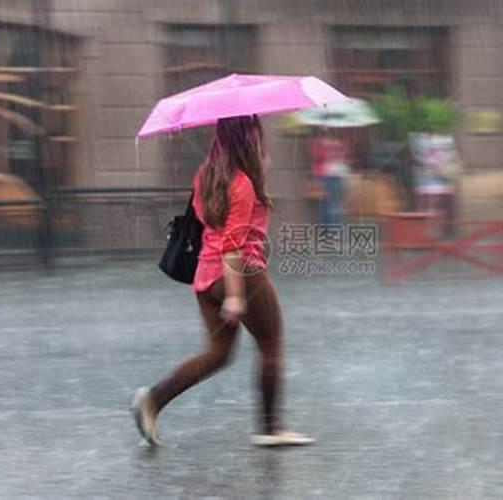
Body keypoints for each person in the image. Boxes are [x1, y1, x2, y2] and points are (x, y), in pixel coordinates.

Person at [131, 115, 313, 447]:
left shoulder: (206, 175)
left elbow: (207, 223)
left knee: (218, 353)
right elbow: (232, 243)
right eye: (257, 133)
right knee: (271, 346)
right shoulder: (242, 182)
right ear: (250, 138)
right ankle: (272, 428)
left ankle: (152, 401)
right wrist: (235, 296)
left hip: (204, 276)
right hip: (239, 272)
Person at [310, 131, 349, 224]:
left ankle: (327, 228)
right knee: (334, 203)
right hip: (338, 174)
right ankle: (334, 230)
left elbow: (315, 155)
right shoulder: (340, 143)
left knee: (324, 204)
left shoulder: (320, 144)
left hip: (323, 174)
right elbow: (345, 157)